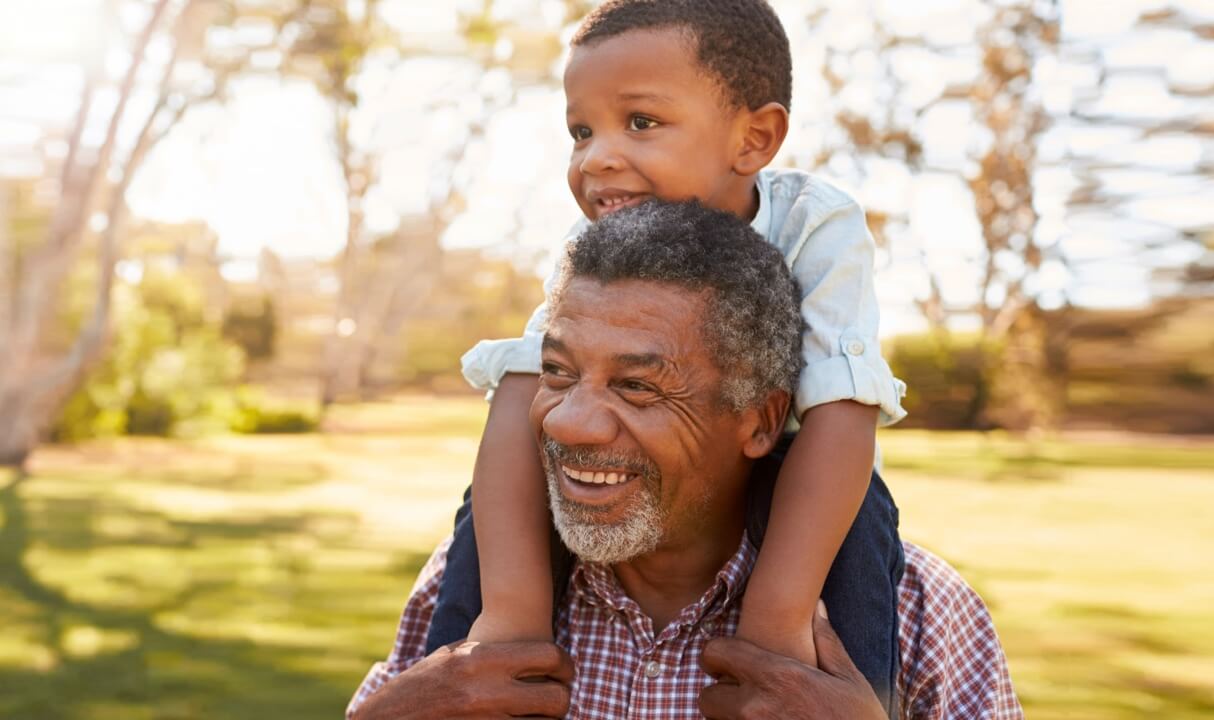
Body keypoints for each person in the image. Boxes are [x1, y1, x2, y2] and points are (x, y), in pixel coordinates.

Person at [349, 201, 1021, 720]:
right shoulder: (469, 583)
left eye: (637, 385)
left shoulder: (918, 611)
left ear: (759, 421)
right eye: (555, 373)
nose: (568, 421)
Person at [429, 0, 910, 711]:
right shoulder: (590, 247)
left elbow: (842, 409)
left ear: (754, 138)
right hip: (645, 486)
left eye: (641, 123)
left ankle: (850, 694)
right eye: (580, 131)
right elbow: (523, 385)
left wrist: (776, 624)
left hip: (792, 462)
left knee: (860, 511)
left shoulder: (815, 222)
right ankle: (462, 679)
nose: (596, 157)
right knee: (492, 500)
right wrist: (511, 611)